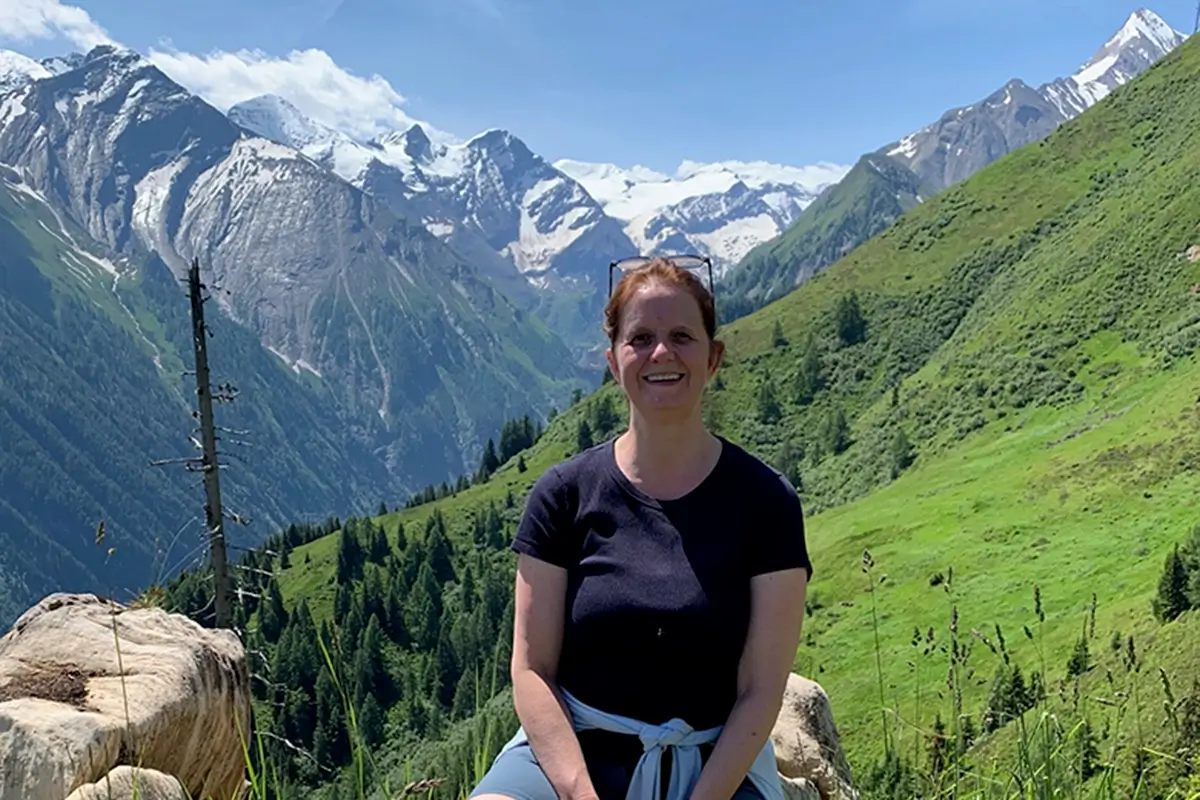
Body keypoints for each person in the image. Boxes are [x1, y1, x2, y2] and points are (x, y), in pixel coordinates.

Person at [469, 256, 813, 800]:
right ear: (613, 360)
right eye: (641, 338)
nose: (661, 353)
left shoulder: (766, 503)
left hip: (713, 763)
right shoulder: (562, 495)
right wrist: (580, 793)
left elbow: (760, 688)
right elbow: (532, 670)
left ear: (713, 357)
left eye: (681, 336)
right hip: (572, 751)